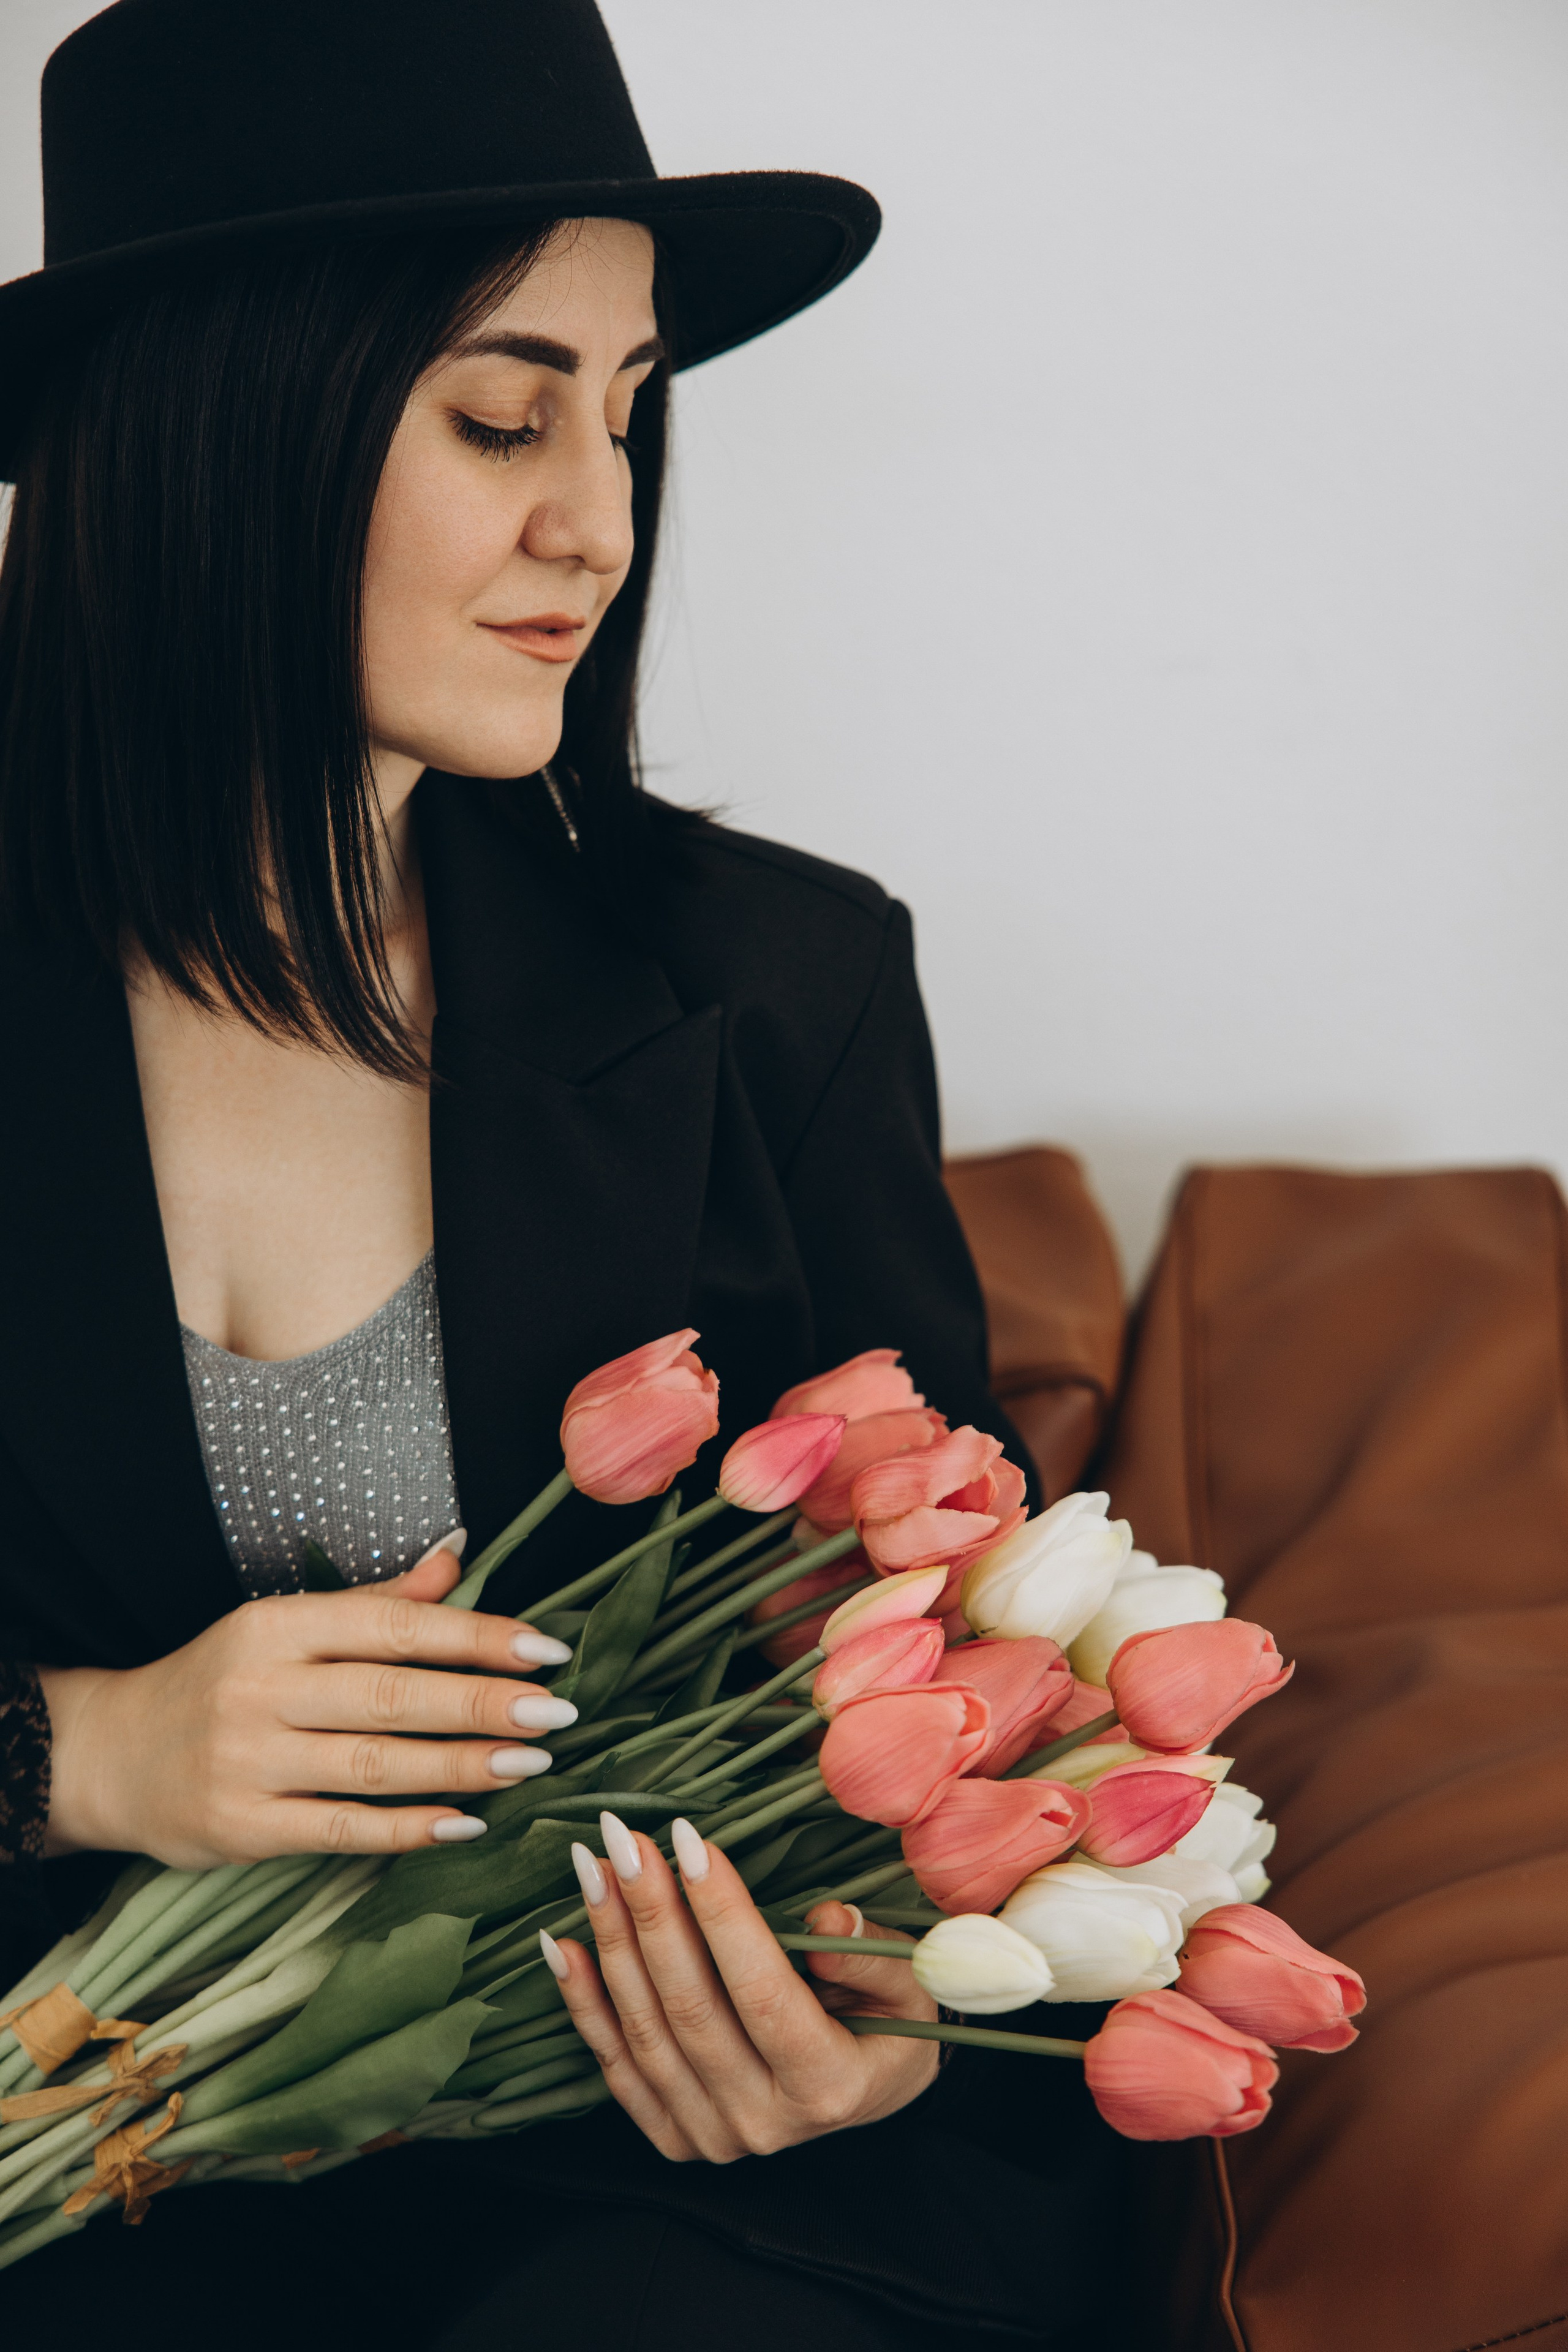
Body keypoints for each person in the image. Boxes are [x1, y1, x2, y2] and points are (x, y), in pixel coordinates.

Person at [0, 4, 1140, 2344]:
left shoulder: (779, 986)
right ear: (218, 422)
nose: (599, 525)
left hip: (637, 2179)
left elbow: (961, 1672)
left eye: (627, 415)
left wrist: (880, 2028)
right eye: (503, 417)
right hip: (82, 2174)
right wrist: (77, 1750)